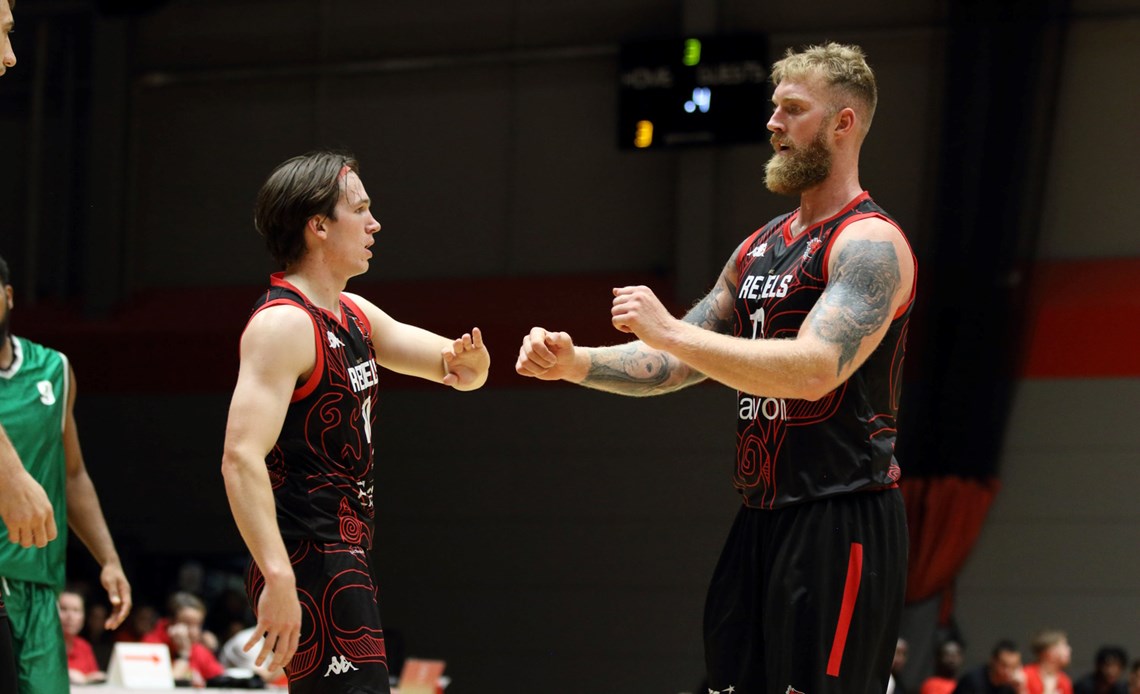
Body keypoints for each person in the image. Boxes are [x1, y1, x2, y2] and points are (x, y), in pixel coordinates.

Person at [516, 42, 915, 693]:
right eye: (774, 108)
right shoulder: (759, 247)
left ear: (844, 123)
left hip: (841, 517)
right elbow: (678, 360)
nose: (773, 123)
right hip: (760, 514)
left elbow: (815, 369)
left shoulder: (870, 243)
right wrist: (576, 363)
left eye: (793, 109)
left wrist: (671, 329)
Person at [221, 150, 490, 693]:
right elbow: (239, 457)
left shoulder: (356, 314)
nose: (375, 223)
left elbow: (456, 369)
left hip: (345, 552)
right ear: (318, 226)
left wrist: (474, 364)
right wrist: (277, 573)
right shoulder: (283, 325)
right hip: (307, 556)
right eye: (361, 209)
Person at [0, 254, 133, 693]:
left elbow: (72, 475)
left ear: (9, 296)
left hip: (38, 583)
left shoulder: (53, 369)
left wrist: (108, 558)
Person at [142, 591, 225, 687]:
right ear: (170, 623)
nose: (194, 632)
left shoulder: (198, 649)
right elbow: (164, 686)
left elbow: (219, 679)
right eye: (187, 624)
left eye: (198, 625)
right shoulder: (151, 645)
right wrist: (183, 656)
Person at [58, 588, 105, 685]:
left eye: (76, 610)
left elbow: (93, 676)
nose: (70, 616)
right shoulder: (43, 646)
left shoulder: (84, 647)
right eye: (63, 609)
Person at [953, 640, 1027, 694]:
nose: (1008, 672)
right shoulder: (972, 681)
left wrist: (1020, 689)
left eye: (1013, 667)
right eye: (1004, 666)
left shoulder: (1012, 686)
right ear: (993, 661)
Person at [1023, 630, 1073, 694]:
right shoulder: (1026, 676)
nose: (1069, 649)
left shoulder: (1064, 681)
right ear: (1049, 651)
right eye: (1064, 645)